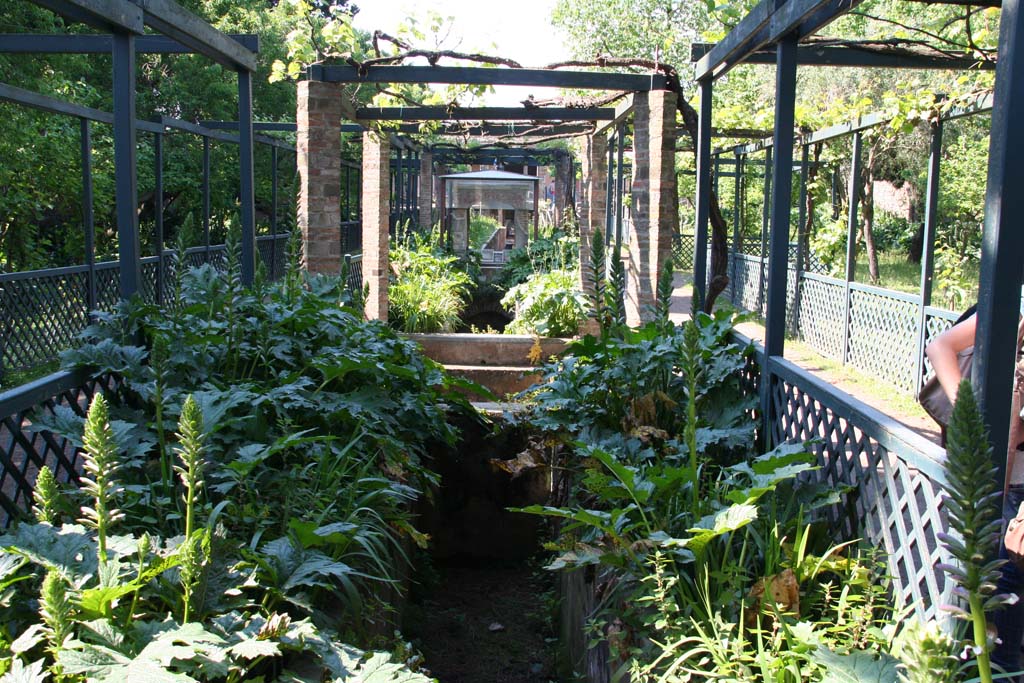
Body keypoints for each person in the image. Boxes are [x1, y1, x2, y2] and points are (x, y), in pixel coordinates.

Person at [926, 312, 1024, 679]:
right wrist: (972, 413)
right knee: (1007, 587)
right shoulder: (1016, 308)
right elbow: (940, 346)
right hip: (1010, 483)